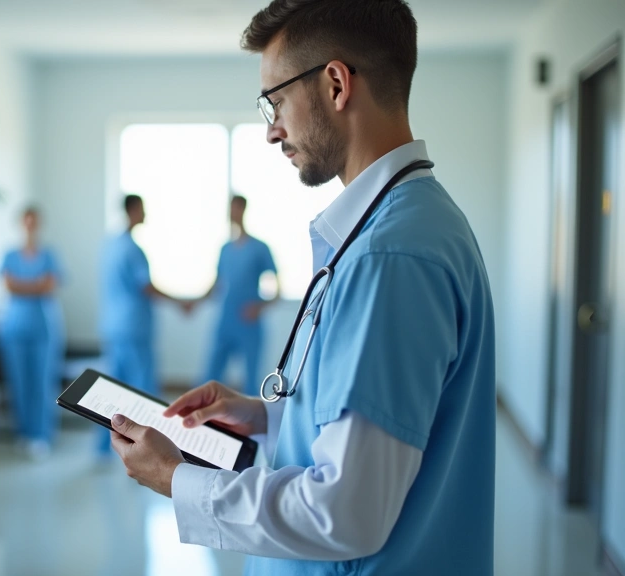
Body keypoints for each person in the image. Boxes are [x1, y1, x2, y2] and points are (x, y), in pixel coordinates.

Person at [106, 2, 496, 575]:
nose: (270, 131)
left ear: (336, 84)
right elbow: (386, 432)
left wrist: (177, 480)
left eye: (276, 100)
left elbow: (344, 512)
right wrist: (269, 417)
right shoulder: (408, 223)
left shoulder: (390, 255)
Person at [97, 194, 191, 455]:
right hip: (134, 329)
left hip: (114, 327)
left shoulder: (110, 246)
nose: (145, 213)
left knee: (111, 391)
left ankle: (103, 449)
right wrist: (179, 302)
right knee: (142, 392)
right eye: (143, 209)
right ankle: (146, 450)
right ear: (133, 210)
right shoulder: (132, 249)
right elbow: (146, 288)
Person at [0, 207, 66, 460]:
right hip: (14, 328)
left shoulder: (49, 255)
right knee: (19, 383)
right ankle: (23, 433)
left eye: (34, 222)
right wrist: (35, 285)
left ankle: (42, 435)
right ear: (20, 224)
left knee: (42, 381)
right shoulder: (9, 255)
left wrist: (22, 286)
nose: (30, 226)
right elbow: (8, 286)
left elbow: (49, 285)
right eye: (26, 222)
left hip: (43, 328)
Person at [196, 195, 279, 396]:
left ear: (243, 210)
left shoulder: (259, 248)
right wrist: (193, 303)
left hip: (248, 322)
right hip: (226, 319)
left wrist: (259, 307)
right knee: (210, 374)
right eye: (230, 209)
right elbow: (216, 284)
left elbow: (277, 289)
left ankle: (252, 424)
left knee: (251, 379)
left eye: (236, 208)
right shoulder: (225, 249)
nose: (232, 213)